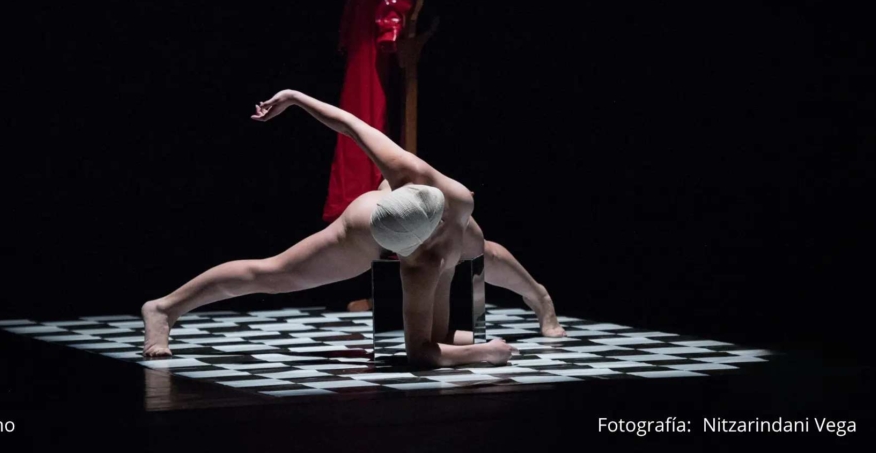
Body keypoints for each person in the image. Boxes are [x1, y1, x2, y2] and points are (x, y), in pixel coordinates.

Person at [141, 90, 566, 368]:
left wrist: (294, 98)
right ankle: (164, 308)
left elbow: (350, 123)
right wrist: (483, 353)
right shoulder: (417, 265)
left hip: (421, 224)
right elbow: (420, 354)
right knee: (274, 274)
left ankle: (539, 297)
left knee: (481, 249)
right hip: (365, 226)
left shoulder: (421, 177)